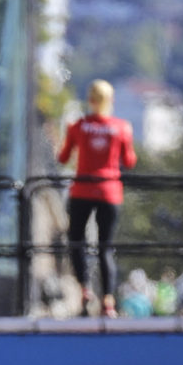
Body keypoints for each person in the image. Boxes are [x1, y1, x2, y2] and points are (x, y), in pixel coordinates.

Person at [59, 80, 137, 317]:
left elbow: (63, 158)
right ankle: (108, 301)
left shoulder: (78, 126)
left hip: (82, 189)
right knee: (105, 247)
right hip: (109, 191)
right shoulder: (122, 127)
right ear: (111, 101)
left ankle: (85, 288)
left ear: (89, 100)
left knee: (76, 241)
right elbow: (130, 161)